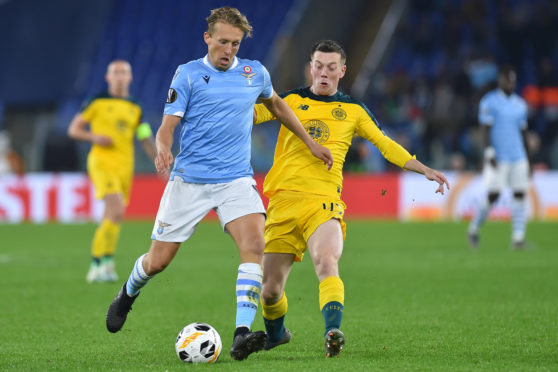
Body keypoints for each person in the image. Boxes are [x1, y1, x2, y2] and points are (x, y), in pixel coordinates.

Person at [104, 7, 333, 362]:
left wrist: (310, 142)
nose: (228, 49)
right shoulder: (189, 74)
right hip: (189, 182)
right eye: (223, 41)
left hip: (235, 179)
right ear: (208, 38)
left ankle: (242, 333)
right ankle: (128, 293)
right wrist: (163, 148)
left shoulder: (253, 72)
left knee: (255, 245)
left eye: (235, 43)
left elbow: (278, 105)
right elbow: (167, 125)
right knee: (158, 260)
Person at [254, 40, 450, 358]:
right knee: (270, 290)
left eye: (332, 67)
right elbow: (248, 116)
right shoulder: (288, 100)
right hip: (283, 201)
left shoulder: (354, 111)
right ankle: (276, 335)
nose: (324, 73)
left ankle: (333, 330)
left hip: (324, 202)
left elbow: (384, 144)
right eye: (319, 65)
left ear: (342, 71)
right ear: (310, 66)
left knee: (327, 260)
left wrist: (422, 168)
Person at [68, 60, 157, 283]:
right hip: (101, 162)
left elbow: (144, 135)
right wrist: (94, 137)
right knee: (115, 208)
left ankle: (106, 264)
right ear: (108, 77)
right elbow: (74, 129)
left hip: (125, 166)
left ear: (130, 78)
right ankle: (95, 264)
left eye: (123, 73)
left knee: (115, 215)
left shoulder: (135, 107)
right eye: (115, 73)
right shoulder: (96, 102)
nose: (119, 77)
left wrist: (159, 159)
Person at [468, 66, 531, 249]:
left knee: (520, 193)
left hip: (518, 156)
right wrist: (489, 152)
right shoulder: (489, 102)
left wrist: (529, 160)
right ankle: (473, 229)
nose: (511, 83)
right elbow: (485, 130)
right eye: (508, 80)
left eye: (513, 80)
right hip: (498, 156)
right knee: (494, 195)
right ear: (500, 80)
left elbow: (524, 133)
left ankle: (518, 239)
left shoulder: (520, 104)